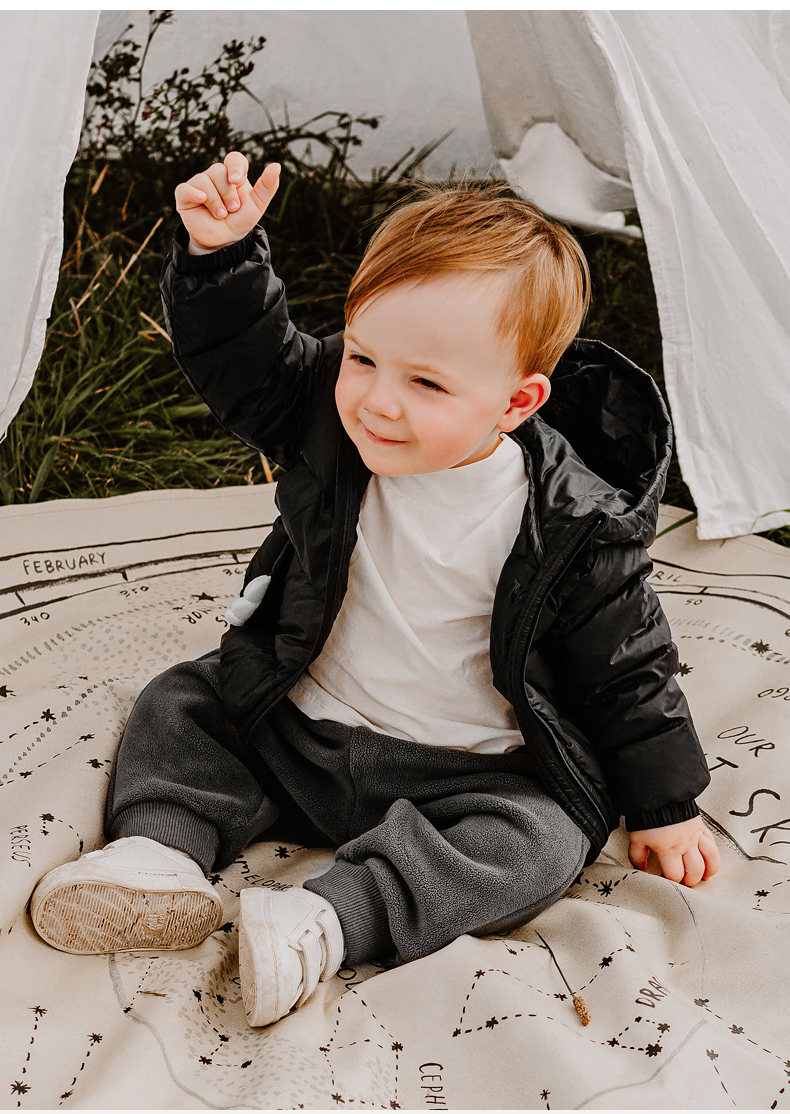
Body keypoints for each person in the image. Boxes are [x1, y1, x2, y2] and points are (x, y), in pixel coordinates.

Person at [30, 153, 720, 1028]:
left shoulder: (575, 525)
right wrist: (220, 258)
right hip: (298, 724)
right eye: (363, 356)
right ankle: (159, 855)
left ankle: (328, 918)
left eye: (426, 383)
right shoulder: (327, 411)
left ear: (517, 403)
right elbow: (249, 364)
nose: (378, 402)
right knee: (185, 701)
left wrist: (664, 805)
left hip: (466, 775)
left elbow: (630, 670)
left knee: (543, 842)